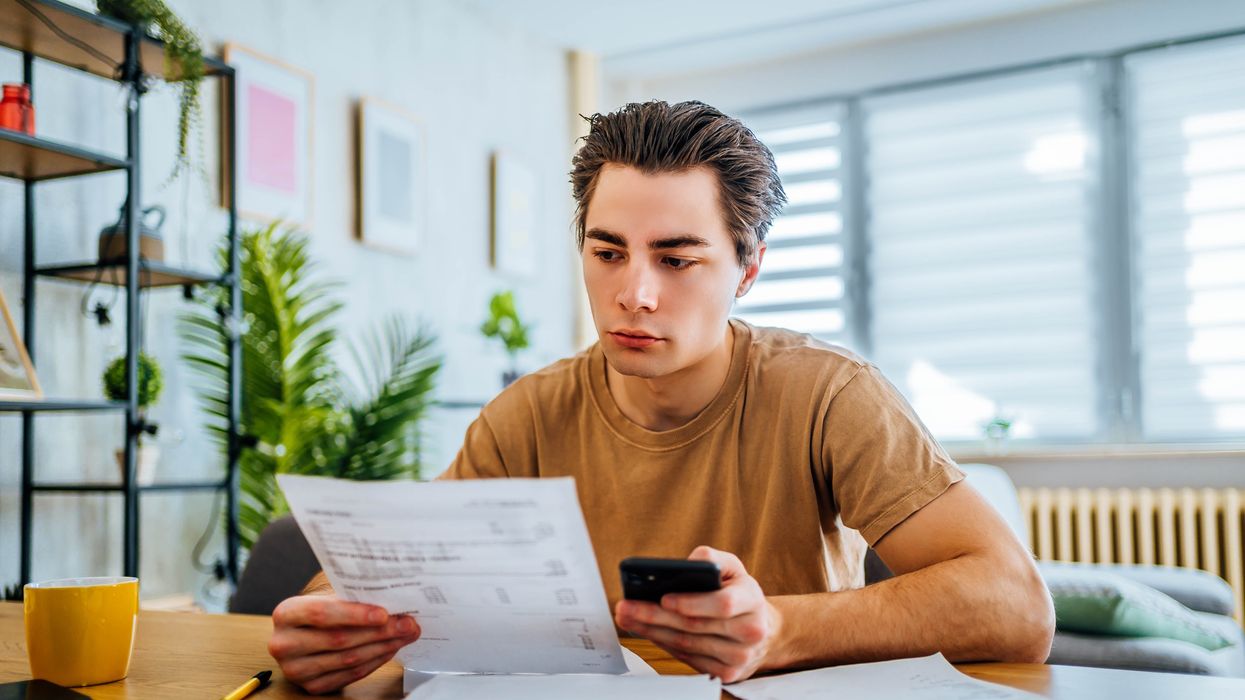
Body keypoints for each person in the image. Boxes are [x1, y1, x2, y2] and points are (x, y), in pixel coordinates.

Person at [267, 100, 1054, 694]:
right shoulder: (527, 415)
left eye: (676, 260)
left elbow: (1017, 608)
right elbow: (378, 576)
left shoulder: (828, 394)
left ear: (746, 271)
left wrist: (778, 628)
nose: (633, 294)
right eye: (608, 252)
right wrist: (323, 625)